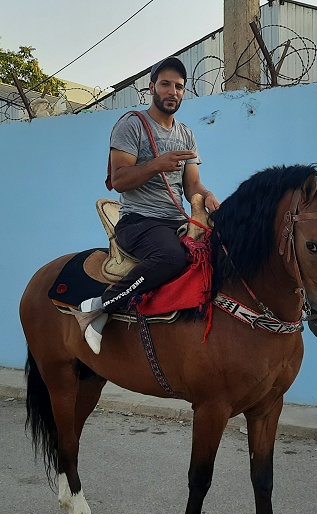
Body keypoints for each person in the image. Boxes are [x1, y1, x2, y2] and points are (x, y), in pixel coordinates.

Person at [78, 56, 219, 354]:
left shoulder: (186, 134)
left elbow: (192, 184)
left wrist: (206, 196)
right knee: (171, 258)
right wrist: (157, 164)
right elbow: (119, 180)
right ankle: (97, 307)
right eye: (166, 84)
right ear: (152, 87)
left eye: (179, 86)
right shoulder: (133, 125)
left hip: (176, 222)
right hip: (138, 221)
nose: (173, 91)